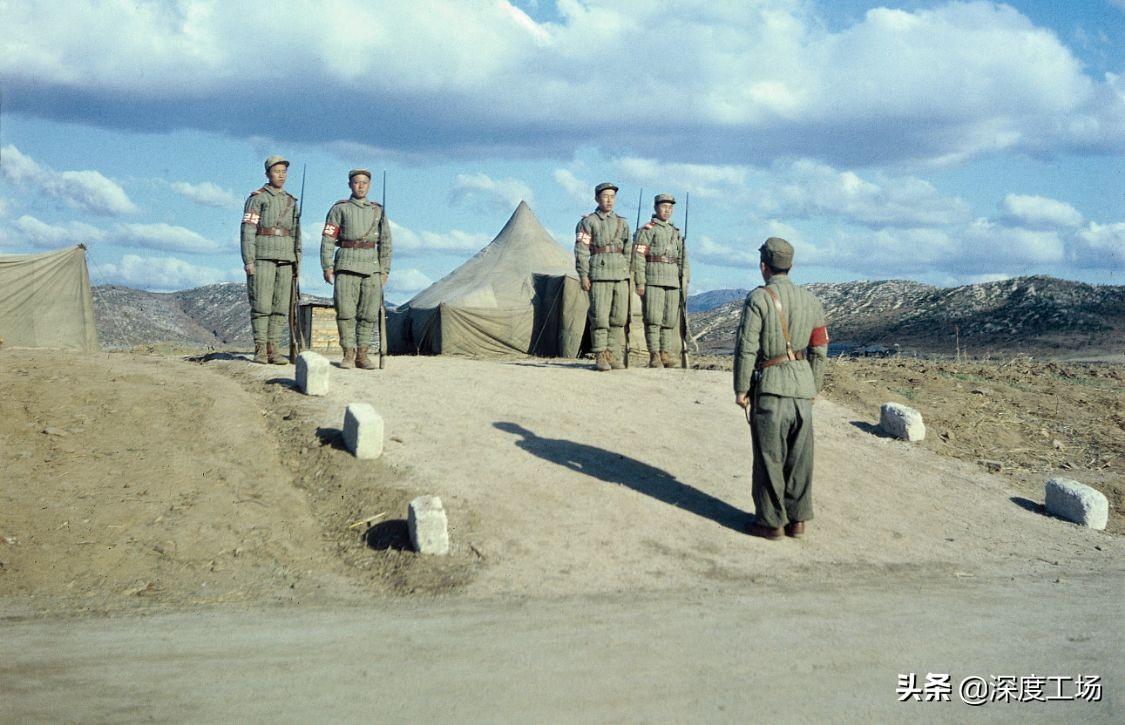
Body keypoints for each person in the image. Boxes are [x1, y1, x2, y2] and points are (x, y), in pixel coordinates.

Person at [733, 237, 829, 539]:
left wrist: (741, 388)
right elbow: (820, 348)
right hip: (802, 389)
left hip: (771, 388)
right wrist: (813, 386)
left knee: (769, 458)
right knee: (800, 458)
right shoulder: (811, 300)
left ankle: (771, 521)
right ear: (790, 265)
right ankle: (797, 520)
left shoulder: (758, 299)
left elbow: (747, 347)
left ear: (764, 266)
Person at [319, 169, 392, 369]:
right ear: (350, 184)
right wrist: (327, 265)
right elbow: (328, 238)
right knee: (345, 312)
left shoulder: (378, 210)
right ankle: (348, 354)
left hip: (371, 267)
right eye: (357, 182)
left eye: (365, 183)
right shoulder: (339, 209)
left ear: (369, 185)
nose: (361, 186)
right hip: (346, 265)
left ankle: (363, 354)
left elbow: (386, 242)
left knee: (368, 314)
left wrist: (385, 270)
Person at [241, 155, 299, 365]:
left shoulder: (291, 201)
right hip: (263, 256)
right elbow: (248, 230)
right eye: (277, 171)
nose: (281, 175)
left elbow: (296, 234)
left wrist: (296, 260)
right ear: (267, 173)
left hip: (285, 257)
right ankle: (260, 350)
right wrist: (249, 260)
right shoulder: (257, 198)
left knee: (279, 306)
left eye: (284, 171)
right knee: (261, 305)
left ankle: (274, 350)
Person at [575, 182, 631, 371]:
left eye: (612, 197)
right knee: (599, 316)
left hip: (620, 275)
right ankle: (600, 354)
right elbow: (581, 250)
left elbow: (629, 249)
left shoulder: (622, 223)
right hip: (599, 274)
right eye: (605, 196)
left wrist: (629, 272)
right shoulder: (588, 222)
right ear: (597, 198)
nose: (609, 200)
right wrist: (583, 275)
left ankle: (613, 355)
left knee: (619, 318)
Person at [632, 193, 689, 368]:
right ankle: (654, 355)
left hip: (672, 279)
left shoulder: (675, 232)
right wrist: (640, 281)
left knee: (669, 320)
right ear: (656, 208)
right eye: (664, 207)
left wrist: (684, 280)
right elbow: (639, 257)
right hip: (653, 277)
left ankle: (665, 353)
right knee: (653, 318)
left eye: (670, 207)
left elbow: (682, 258)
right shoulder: (647, 230)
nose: (667, 210)